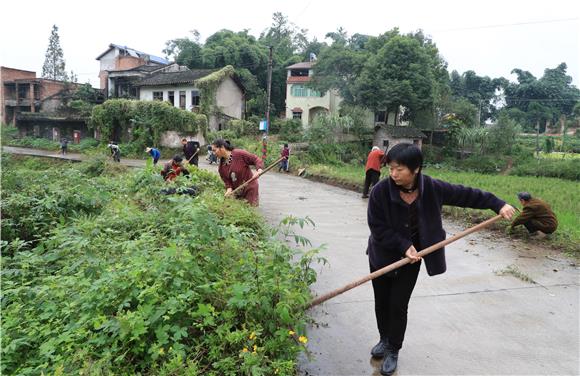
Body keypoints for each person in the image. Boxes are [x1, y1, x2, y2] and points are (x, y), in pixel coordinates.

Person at [366, 143, 515, 376]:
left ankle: (394, 349)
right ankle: (384, 339)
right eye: (391, 169)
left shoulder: (433, 188)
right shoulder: (380, 191)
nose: (393, 174)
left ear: (416, 169)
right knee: (382, 302)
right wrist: (403, 245)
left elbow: (467, 194)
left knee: (398, 305)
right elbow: (377, 227)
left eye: (399, 169)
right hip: (382, 256)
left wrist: (498, 204)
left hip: (412, 259)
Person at [212, 139, 264, 206]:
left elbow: (255, 159)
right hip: (238, 192)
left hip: (250, 188)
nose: (213, 153)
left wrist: (259, 170)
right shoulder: (221, 167)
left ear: (222, 148)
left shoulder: (239, 154)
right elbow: (227, 182)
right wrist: (229, 189)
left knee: (250, 211)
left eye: (214, 150)